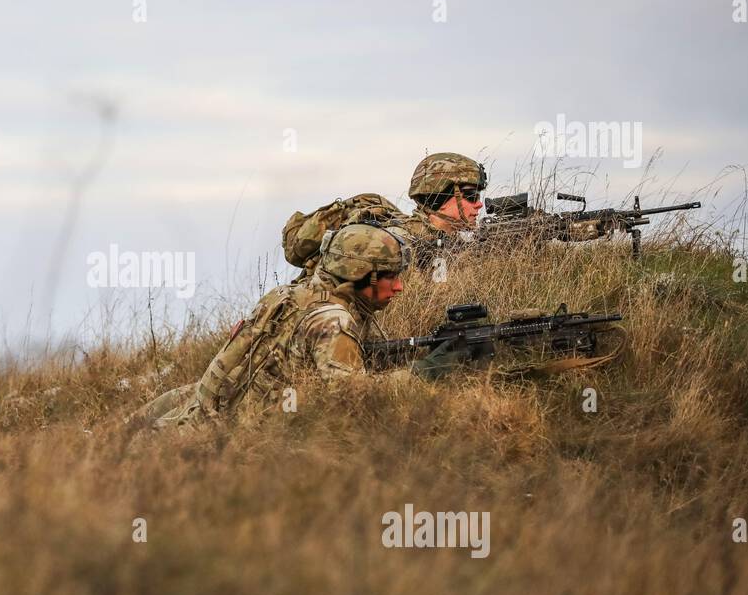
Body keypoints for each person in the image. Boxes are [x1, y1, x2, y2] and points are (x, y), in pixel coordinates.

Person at [134, 223, 461, 429]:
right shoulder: (333, 322)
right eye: (391, 277)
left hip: (202, 411)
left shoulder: (290, 294)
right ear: (362, 276)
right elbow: (355, 399)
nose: (400, 287)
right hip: (232, 441)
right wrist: (425, 372)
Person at [282, 152, 488, 275]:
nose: (478, 205)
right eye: (471, 196)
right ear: (440, 197)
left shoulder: (443, 242)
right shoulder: (400, 242)